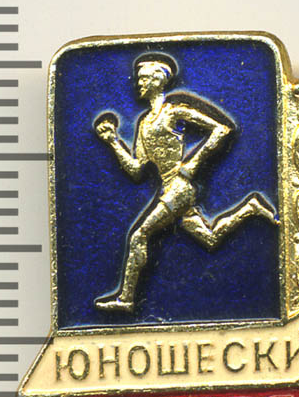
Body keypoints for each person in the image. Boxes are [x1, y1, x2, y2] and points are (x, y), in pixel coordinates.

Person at [94, 52, 278, 312]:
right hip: (169, 189)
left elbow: (222, 129)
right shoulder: (144, 124)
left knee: (139, 235)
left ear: (158, 81)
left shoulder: (175, 111)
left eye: (144, 78)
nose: (138, 83)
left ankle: (126, 299)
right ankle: (250, 208)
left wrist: (193, 162)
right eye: (139, 79)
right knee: (210, 238)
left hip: (180, 188)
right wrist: (113, 141)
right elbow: (136, 169)